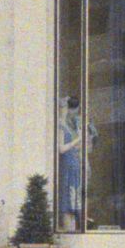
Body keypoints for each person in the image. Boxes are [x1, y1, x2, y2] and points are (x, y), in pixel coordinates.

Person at [57, 98, 86, 230]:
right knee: (68, 201)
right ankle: (69, 230)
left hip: (73, 166)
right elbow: (61, 148)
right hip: (68, 167)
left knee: (73, 202)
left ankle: (73, 229)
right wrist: (77, 140)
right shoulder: (61, 126)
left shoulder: (67, 125)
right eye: (63, 108)